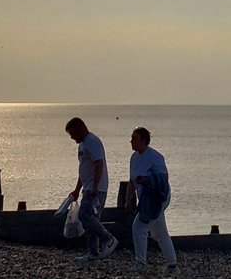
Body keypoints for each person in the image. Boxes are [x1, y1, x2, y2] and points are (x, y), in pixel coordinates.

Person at [65, 116, 118, 266]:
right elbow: (84, 170)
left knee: (85, 215)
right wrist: (76, 190)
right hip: (88, 187)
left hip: (96, 188)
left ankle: (108, 238)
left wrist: (95, 186)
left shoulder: (92, 141)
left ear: (79, 128)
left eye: (72, 133)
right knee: (92, 221)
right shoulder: (82, 145)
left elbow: (98, 164)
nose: (72, 137)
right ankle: (93, 254)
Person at [126, 126, 177, 270]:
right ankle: (172, 265)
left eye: (134, 138)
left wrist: (147, 180)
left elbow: (163, 179)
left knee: (138, 227)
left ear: (144, 140)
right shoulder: (134, 158)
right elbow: (132, 180)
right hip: (145, 199)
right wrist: (128, 199)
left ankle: (140, 263)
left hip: (157, 198)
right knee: (160, 232)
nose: (131, 141)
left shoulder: (155, 156)